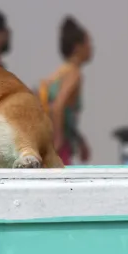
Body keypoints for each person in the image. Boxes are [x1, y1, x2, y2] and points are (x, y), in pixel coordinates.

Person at [39, 17, 92, 165]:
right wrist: (58, 141)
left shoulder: (60, 72)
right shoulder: (74, 74)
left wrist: (79, 140)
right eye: (88, 43)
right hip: (57, 147)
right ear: (77, 47)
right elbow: (58, 106)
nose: (91, 48)